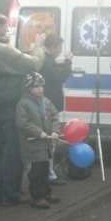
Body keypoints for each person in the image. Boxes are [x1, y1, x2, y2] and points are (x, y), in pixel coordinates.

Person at [0, 13, 44, 206]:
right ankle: (10, 193)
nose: (7, 28)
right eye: (5, 25)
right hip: (9, 103)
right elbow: (32, 64)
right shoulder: (1, 49)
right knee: (12, 149)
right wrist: (38, 47)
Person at [15, 72, 61, 209]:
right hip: (32, 145)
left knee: (45, 169)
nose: (40, 89)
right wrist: (39, 132)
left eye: (41, 86)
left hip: (45, 144)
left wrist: (55, 131)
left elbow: (55, 116)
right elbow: (23, 123)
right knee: (36, 172)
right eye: (36, 86)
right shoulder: (23, 104)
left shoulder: (46, 101)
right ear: (29, 88)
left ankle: (46, 193)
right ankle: (37, 197)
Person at [40, 33, 72, 185]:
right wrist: (68, 62)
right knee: (50, 141)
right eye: (59, 47)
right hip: (49, 105)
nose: (60, 50)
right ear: (53, 47)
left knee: (50, 141)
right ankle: (49, 175)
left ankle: (49, 173)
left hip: (47, 104)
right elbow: (58, 77)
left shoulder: (46, 60)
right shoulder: (47, 61)